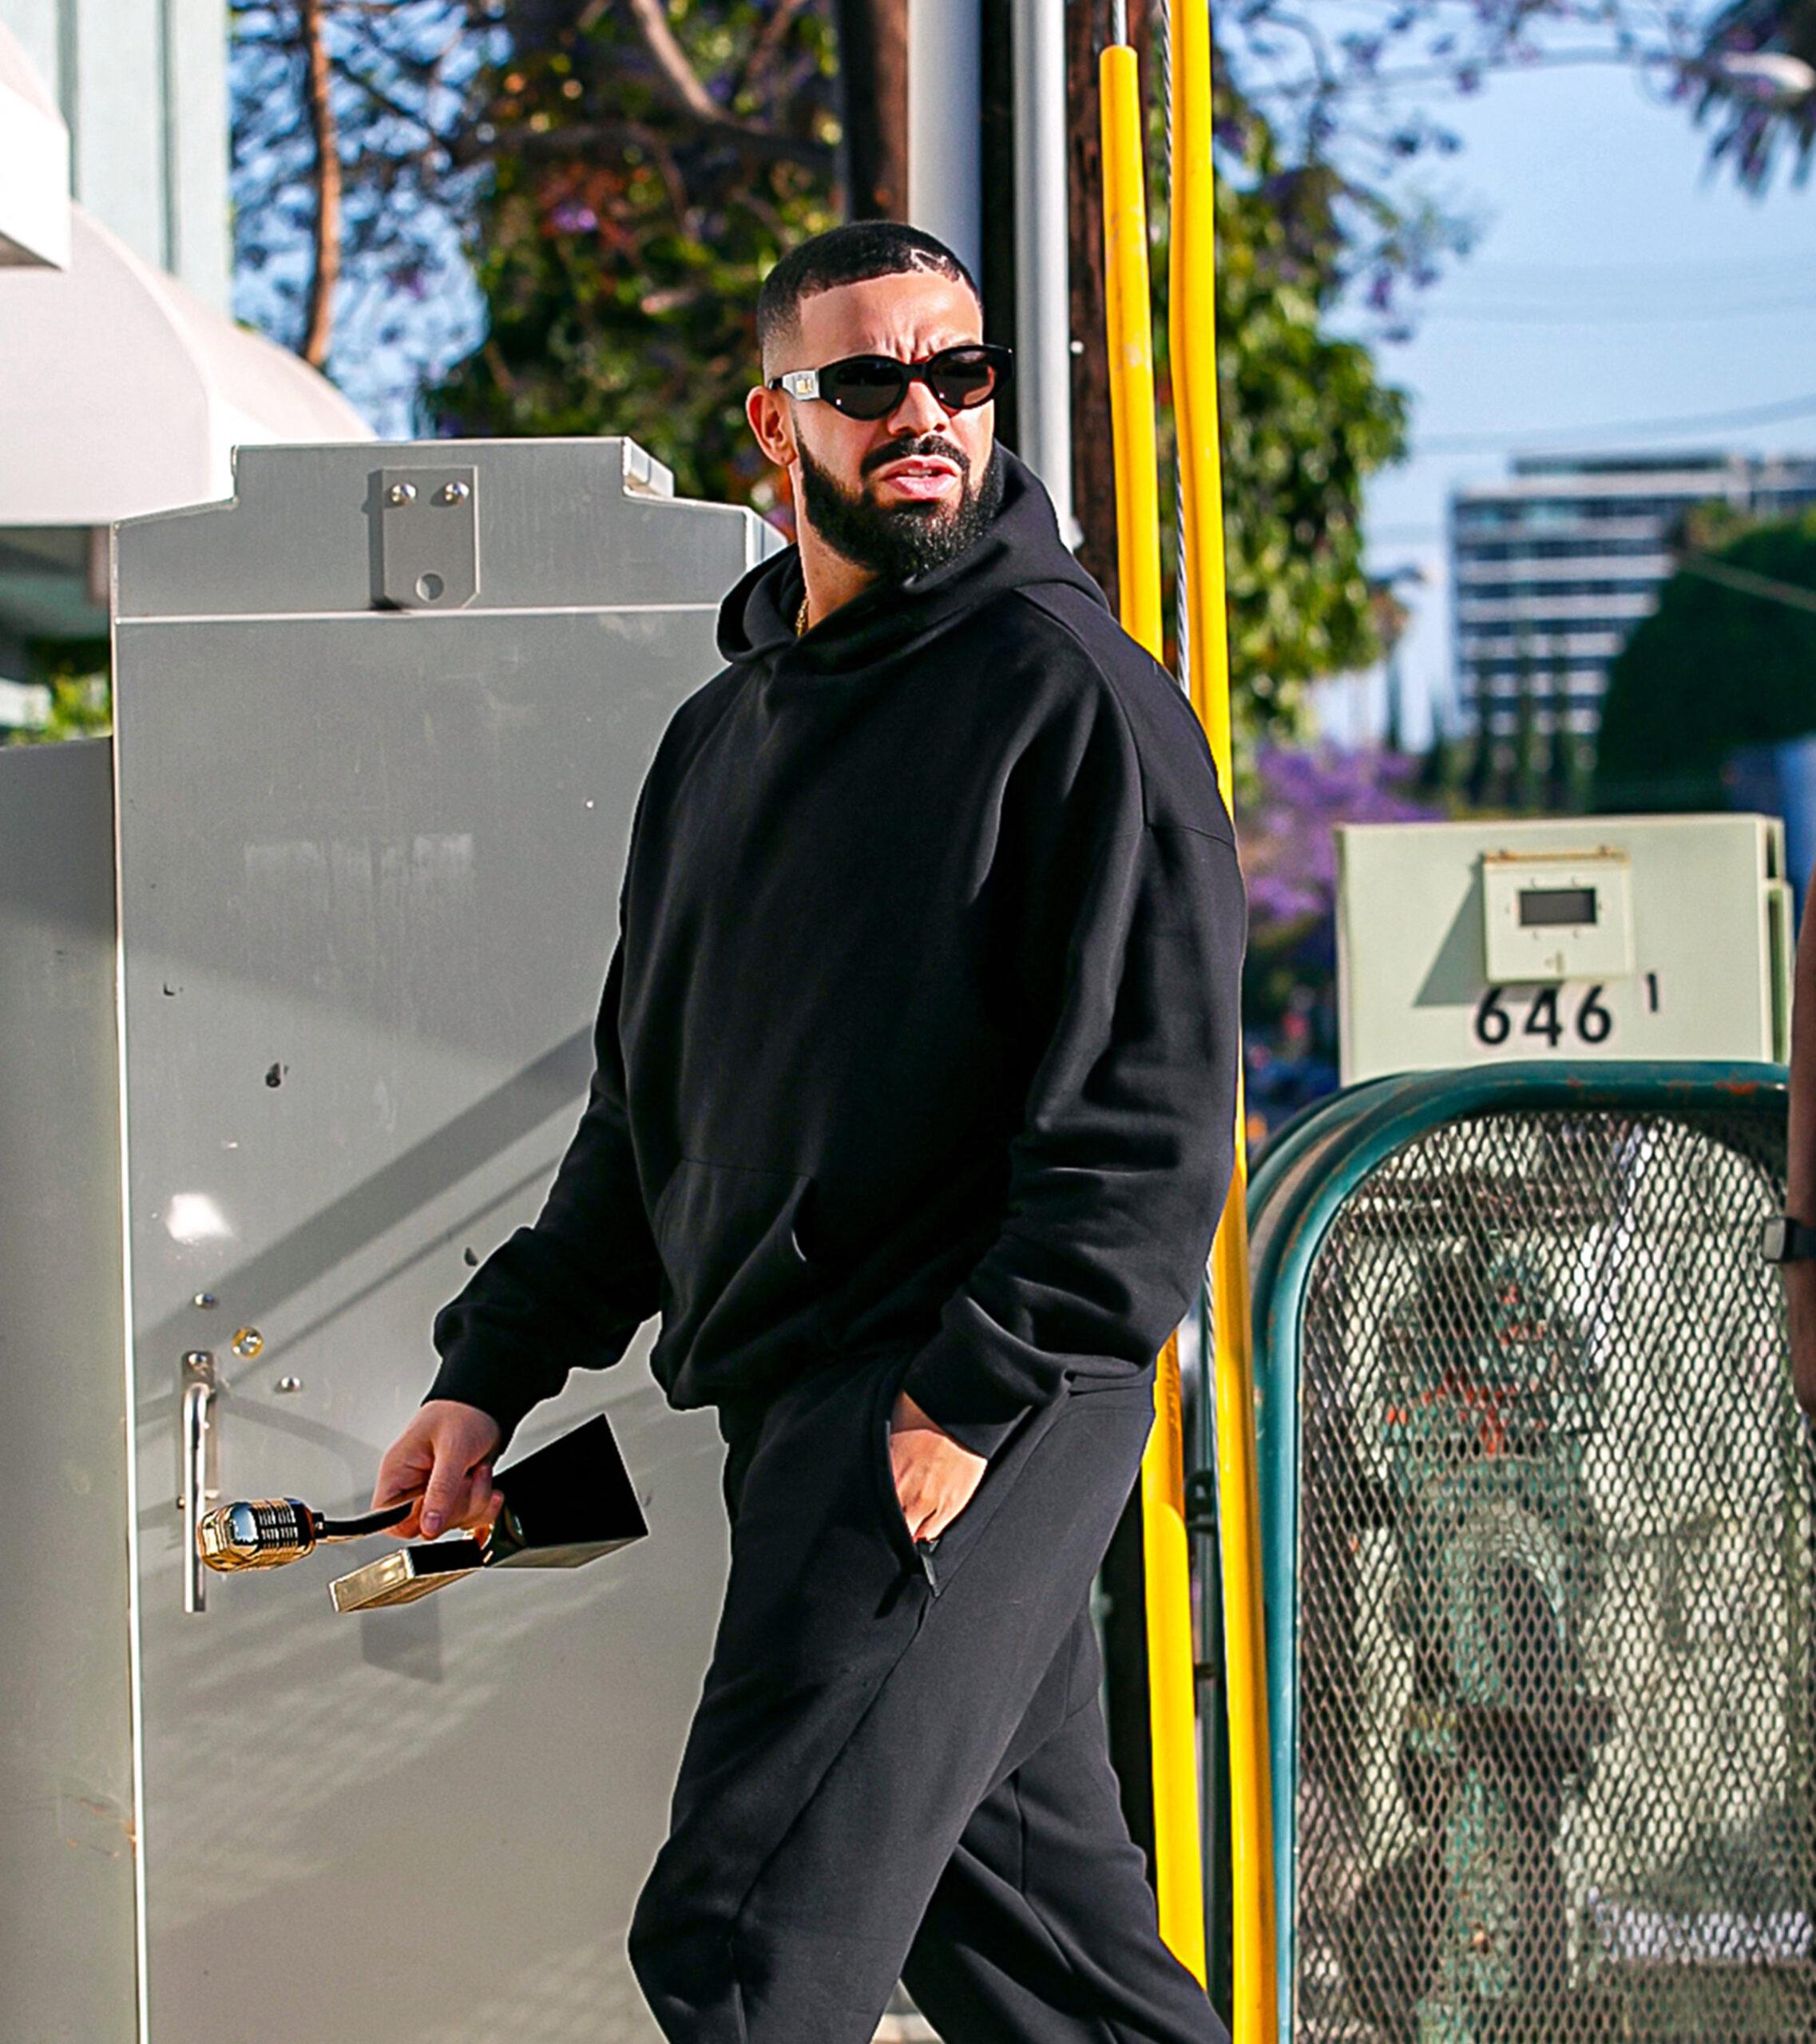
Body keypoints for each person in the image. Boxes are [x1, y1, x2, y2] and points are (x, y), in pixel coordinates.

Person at [370, 220, 1244, 2044]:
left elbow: (1153, 1112)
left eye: (960, 371)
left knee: (746, 1936)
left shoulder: (1072, 694)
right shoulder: (720, 743)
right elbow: (649, 1120)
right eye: (869, 381)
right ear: (778, 424)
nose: (923, 410)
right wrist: (489, 1373)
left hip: (957, 1397)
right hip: (810, 1413)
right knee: (1045, 1972)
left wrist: (965, 1398)